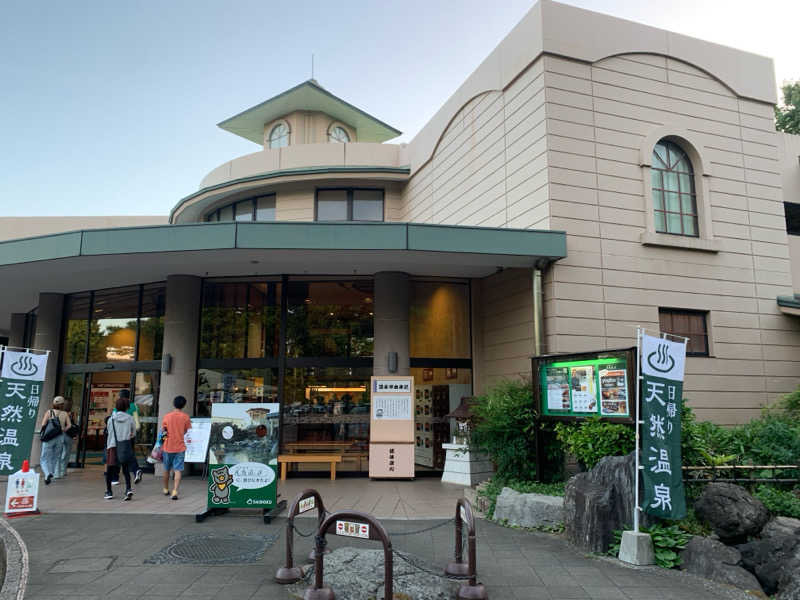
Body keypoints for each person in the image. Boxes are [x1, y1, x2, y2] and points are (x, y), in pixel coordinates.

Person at [105, 396, 137, 501]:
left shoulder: (111, 419)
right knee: (125, 469)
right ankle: (128, 489)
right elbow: (133, 434)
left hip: (112, 446)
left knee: (110, 469)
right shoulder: (130, 418)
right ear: (127, 407)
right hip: (124, 446)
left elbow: (109, 432)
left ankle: (109, 491)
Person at [161, 395, 191, 500]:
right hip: (180, 447)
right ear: (184, 405)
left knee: (166, 469)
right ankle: (175, 491)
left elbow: (163, 431)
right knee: (178, 470)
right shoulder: (185, 417)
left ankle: (165, 489)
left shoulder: (167, 416)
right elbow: (186, 431)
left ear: (173, 403)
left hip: (167, 446)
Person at [39, 397, 73, 485]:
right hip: (60, 437)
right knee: (55, 456)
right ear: (62, 405)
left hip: (49, 437)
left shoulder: (49, 412)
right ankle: (52, 472)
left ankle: (47, 474)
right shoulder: (65, 413)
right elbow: (69, 425)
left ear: (53, 403)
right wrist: (63, 429)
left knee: (44, 458)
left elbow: (43, 424)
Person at [113, 390, 143, 484]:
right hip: (129, 435)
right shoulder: (133, 406)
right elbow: (137, 424)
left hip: (117, 436)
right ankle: (134, 471)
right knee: (129, 455)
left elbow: (113, 420)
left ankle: (115, 478)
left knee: (116, 456)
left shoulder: (117, 407)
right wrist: (133, 432)